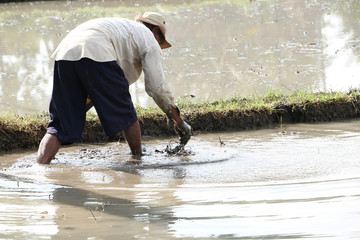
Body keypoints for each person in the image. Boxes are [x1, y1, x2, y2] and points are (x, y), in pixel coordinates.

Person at [36, 12, 191, 164]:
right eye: (161, 41)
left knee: (58, 126)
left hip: (65, 53)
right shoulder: (149, 39)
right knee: (127, 115)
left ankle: (41, 165)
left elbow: (95, 86)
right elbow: (157, 88)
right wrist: (179, 121)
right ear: (156, 31)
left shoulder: (124, 29)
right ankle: (138, 161)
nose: (159, 45)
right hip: (98, 51)